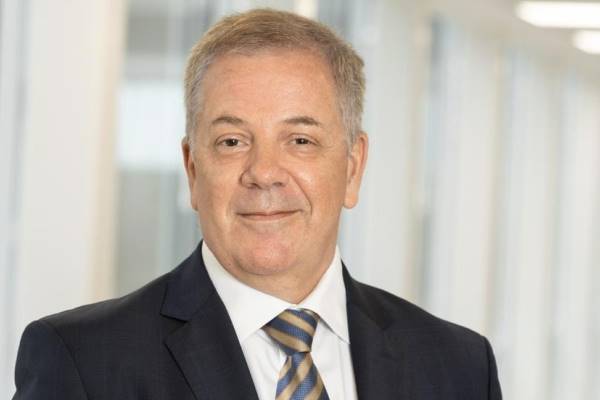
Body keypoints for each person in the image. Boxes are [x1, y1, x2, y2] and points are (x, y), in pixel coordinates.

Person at [13, 8, 502, 400]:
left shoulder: (458, 367)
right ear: (193, 169)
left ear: (353, 168)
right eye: (232, 142)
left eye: (300, 141)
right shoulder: (82, 362)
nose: (264, 172)